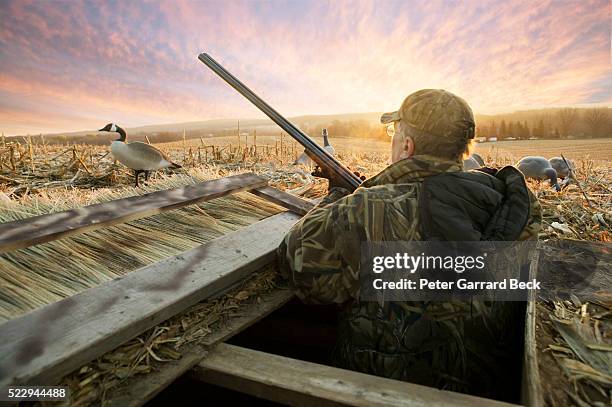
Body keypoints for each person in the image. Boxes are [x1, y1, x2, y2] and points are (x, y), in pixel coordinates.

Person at [277, 89, 541, 398]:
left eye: (394, 131)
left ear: (407, 145)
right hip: (484, 389)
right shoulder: (510, 204)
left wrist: (337, 196)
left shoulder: (370, 207)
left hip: (384, 393)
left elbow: (295, 265)